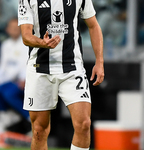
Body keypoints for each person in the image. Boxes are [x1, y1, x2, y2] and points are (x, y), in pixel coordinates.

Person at [18, 0, 104, 149]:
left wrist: (100, 61)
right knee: (39, 130)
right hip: (40, 68)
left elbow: (93, 25)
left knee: (84, 124)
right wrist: (42, 43)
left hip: (71, 67)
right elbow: (26, 36)